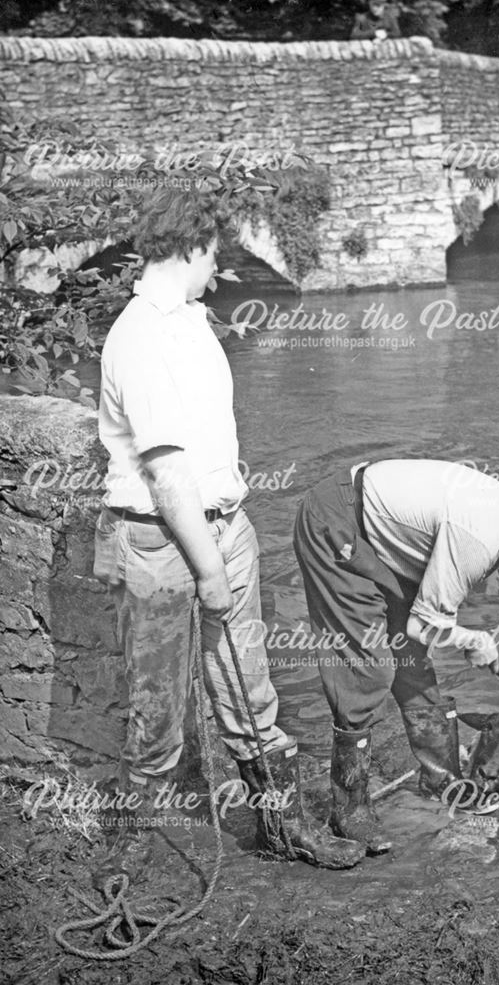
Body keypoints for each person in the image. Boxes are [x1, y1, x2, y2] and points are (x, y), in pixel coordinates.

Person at [93, 188, 362, 870]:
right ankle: (131, 863)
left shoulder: (188, 319)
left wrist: (226, 539)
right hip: (162, 541)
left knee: (250, 687)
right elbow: (164, 465)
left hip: (223, 524)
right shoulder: (142, 335)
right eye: (213, 254)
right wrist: (207, 566)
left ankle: (281, 830)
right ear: (187, 247)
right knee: (157, 716)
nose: (217, 269)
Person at [293, 459, 499, 855]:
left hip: (383, 536)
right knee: (370, 670)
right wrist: (472, 639)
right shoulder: (478, 536)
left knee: (413, 667)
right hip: (338, 525)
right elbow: (421, 626)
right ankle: (350, 808)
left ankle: (441, 785)